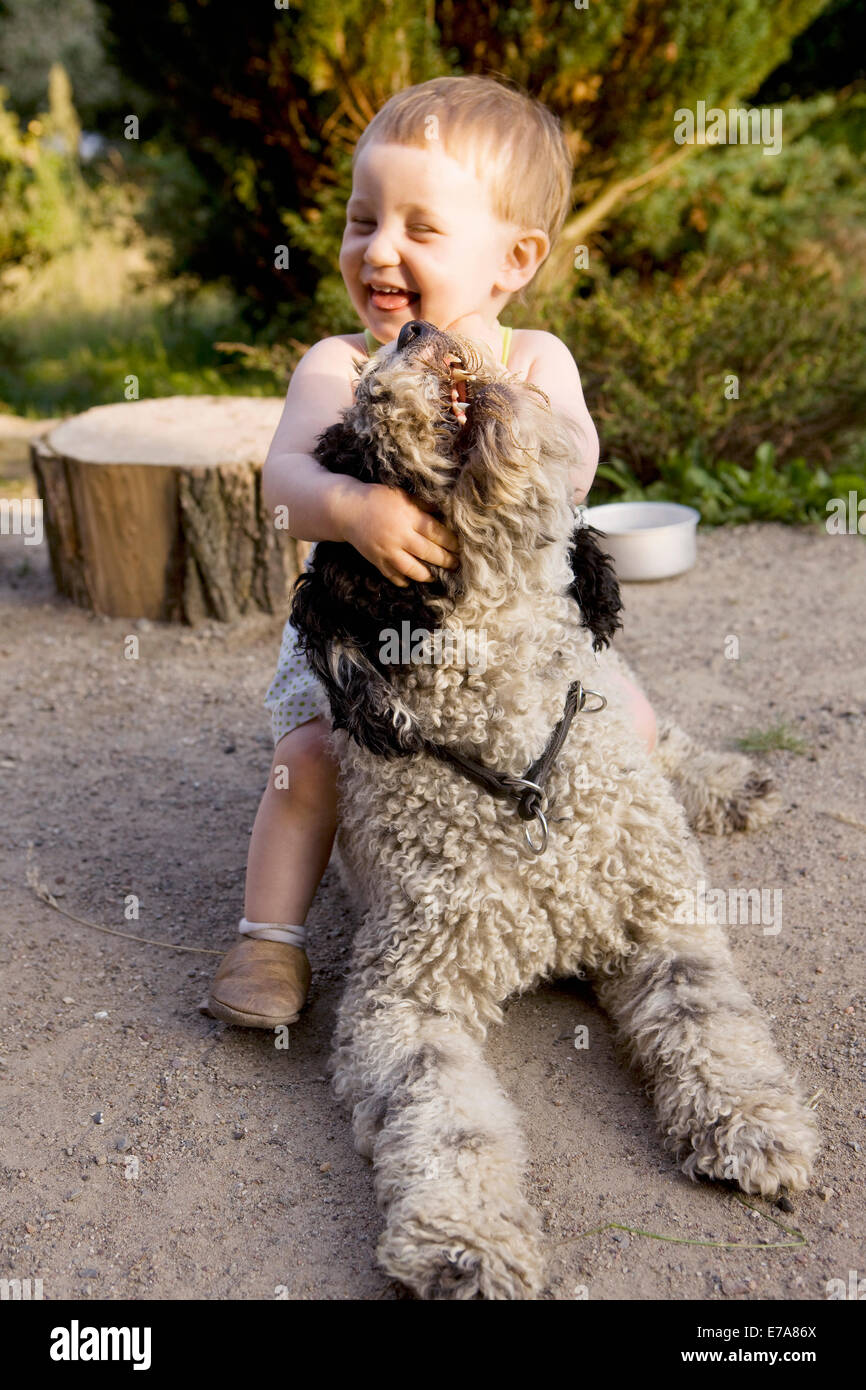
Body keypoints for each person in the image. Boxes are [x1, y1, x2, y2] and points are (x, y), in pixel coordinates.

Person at [205, 75, 657, 1029]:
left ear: (514, 259)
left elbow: (574, 462)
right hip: (364, 642)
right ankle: (269, 938)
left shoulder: (531, 361)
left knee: (630, 729)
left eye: (421, 228)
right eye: (363, 220)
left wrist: (503, 433)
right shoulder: (337, 366)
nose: (378, 250)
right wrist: (354, 505)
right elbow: (282, 487)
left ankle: (584, 888)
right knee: (308, 762)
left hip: (518, 636)